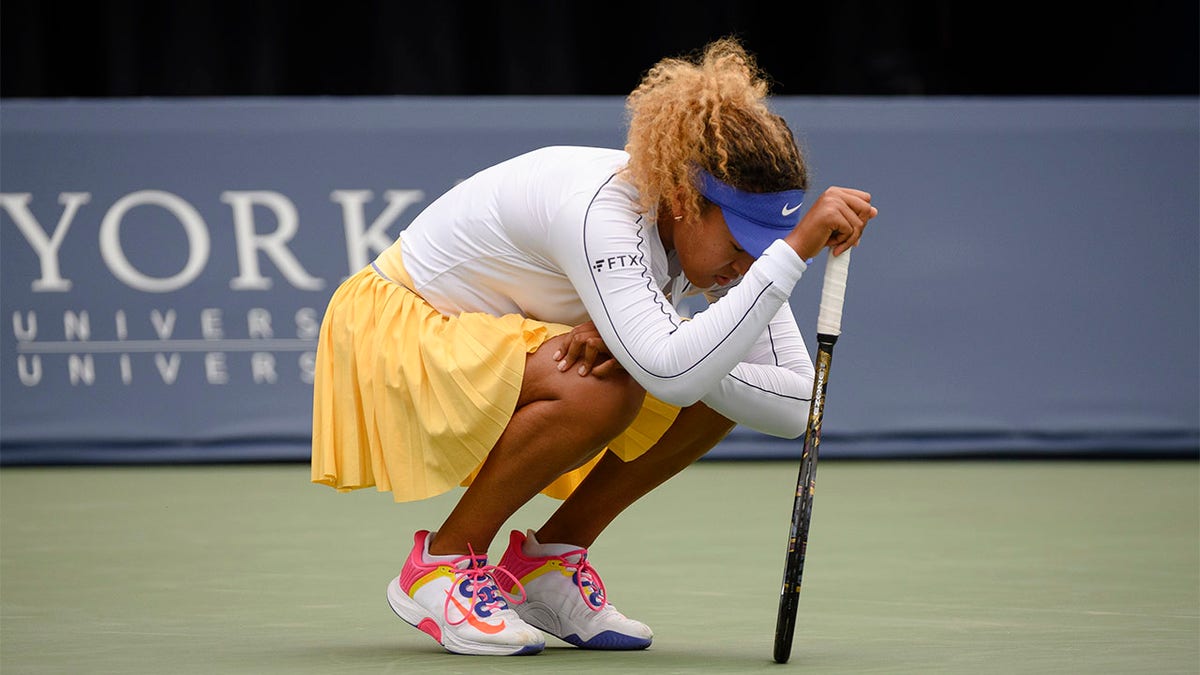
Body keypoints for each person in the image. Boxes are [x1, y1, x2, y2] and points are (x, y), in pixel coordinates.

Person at [310, 37, 877, 656]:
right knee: (610, 382)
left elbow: (796, 405)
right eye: (743, 242)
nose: (750, 264)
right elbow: (669, 372)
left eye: (768, 245)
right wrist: (791, 256)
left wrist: (670, 340)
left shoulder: (721, 248)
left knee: (701, 361)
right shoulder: (602, 210)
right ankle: (442, 564)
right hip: (402, 330)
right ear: (686, 203)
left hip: (513, 339)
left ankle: (545, 567)